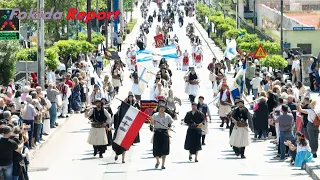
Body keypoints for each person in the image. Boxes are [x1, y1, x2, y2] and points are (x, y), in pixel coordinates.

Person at [150, 104, 173, 169]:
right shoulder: (155, 115)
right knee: (156, 148)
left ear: (165, 109)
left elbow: (172, 123)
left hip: (164, 133)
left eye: (163, 108)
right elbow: (151, 124)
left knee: (164, 149)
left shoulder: (167, 116)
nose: (162, 109)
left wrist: (170, 127)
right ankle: (158, 161)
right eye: (160, 108)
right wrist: (151, 121)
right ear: (158, 108)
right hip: (157, 132)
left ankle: (163, 164)